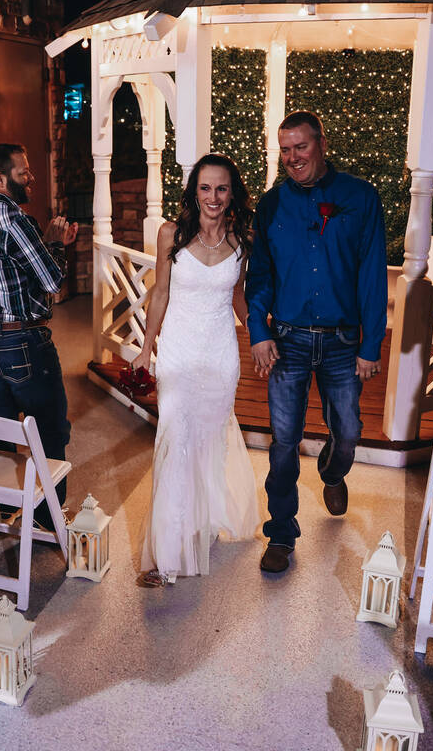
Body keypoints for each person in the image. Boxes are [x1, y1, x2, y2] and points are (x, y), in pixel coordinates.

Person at [246, 111, 388, 575]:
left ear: (321, 144)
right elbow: (260, 277)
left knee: (348, 431)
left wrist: (372, 344)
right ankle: (281, 535)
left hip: (344, 341)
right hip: (287, 339)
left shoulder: (361, 197)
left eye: (300, 147)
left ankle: (332, 471)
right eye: (284, 150)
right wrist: (260, 331)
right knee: (283, 441)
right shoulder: (269, 206)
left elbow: (371, 272)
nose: (292, 158)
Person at [131, 154, 260, 587]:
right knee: (175, 441)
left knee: (208, 442)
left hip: (221, 358)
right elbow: (160, 295)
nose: (213, 197)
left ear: (232, 193)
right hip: (179, 355)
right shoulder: (171, 234)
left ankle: (199, 526)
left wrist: (263, 336)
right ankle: (166, 552)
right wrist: (145, 349)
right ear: (193, 191)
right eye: (205, 188)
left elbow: (238, 297)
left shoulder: (243, 240)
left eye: (222, 188)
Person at [0, 143, 78, 531]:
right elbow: (51, 280)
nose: (30, 177)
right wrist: (57, 245)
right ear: (0, 178)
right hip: (23, 342)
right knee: (49, 429)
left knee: (0, 428)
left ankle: (4, 507)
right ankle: (49, 520)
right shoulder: (16, 220)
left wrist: (44, 243)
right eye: (23, 172)